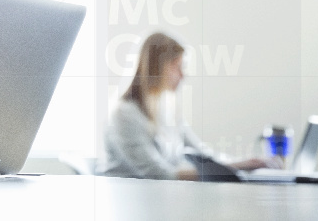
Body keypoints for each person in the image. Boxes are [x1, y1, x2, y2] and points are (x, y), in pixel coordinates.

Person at [100, 31, 272, 180]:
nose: (183, 75)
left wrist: (246, 163)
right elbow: (158, 173)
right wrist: (227, 171)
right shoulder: (124, 114)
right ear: (156, 68)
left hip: (156, 198)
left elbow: (204, 155)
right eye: (177, 67)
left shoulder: (167, 110)